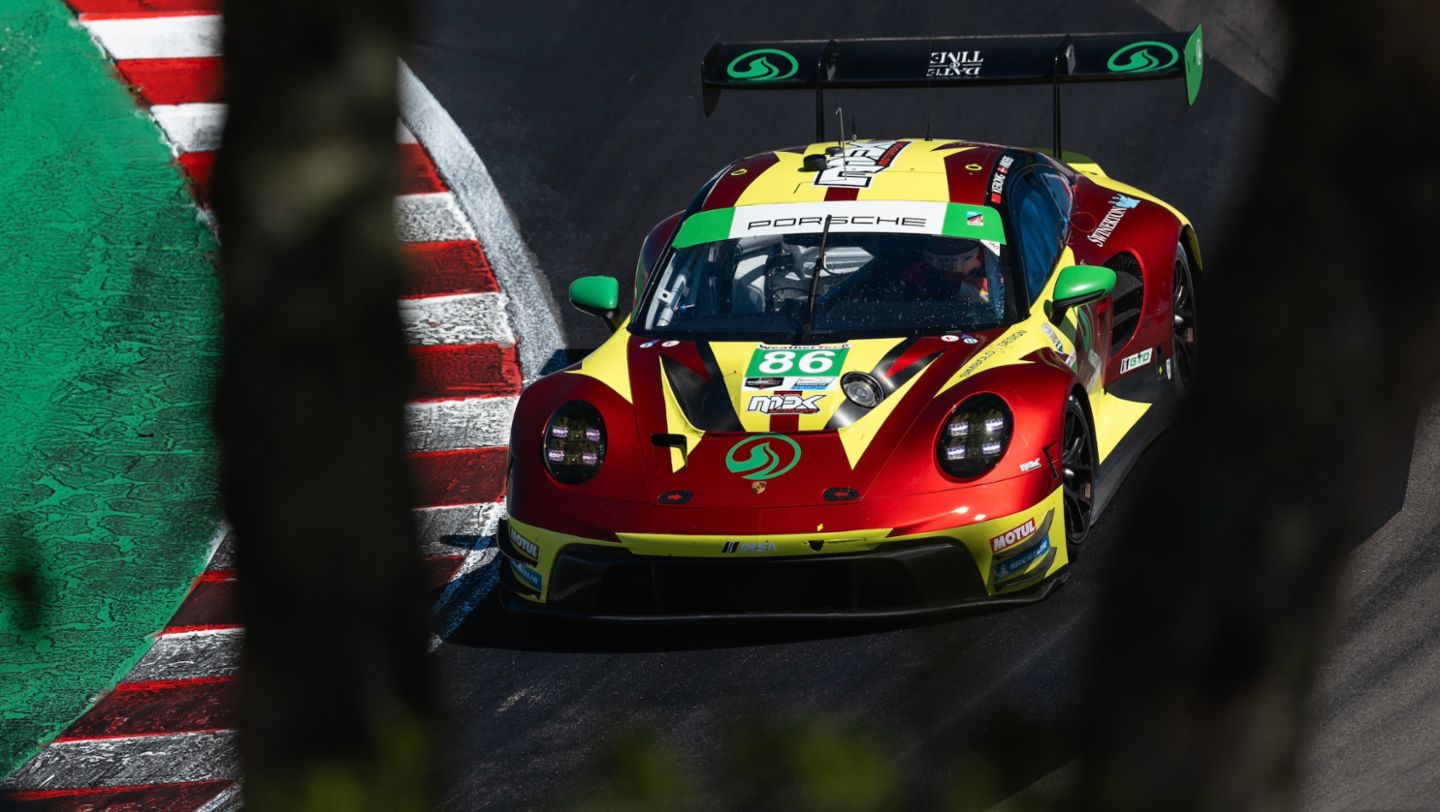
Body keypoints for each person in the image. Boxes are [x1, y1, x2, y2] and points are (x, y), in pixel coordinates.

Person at [896, 237, 989, 302]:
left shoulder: (994, 273)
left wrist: (954, 282)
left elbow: (998, 297)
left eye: (957, 242)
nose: (949, 246)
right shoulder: (918, 272)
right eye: (941, 242)